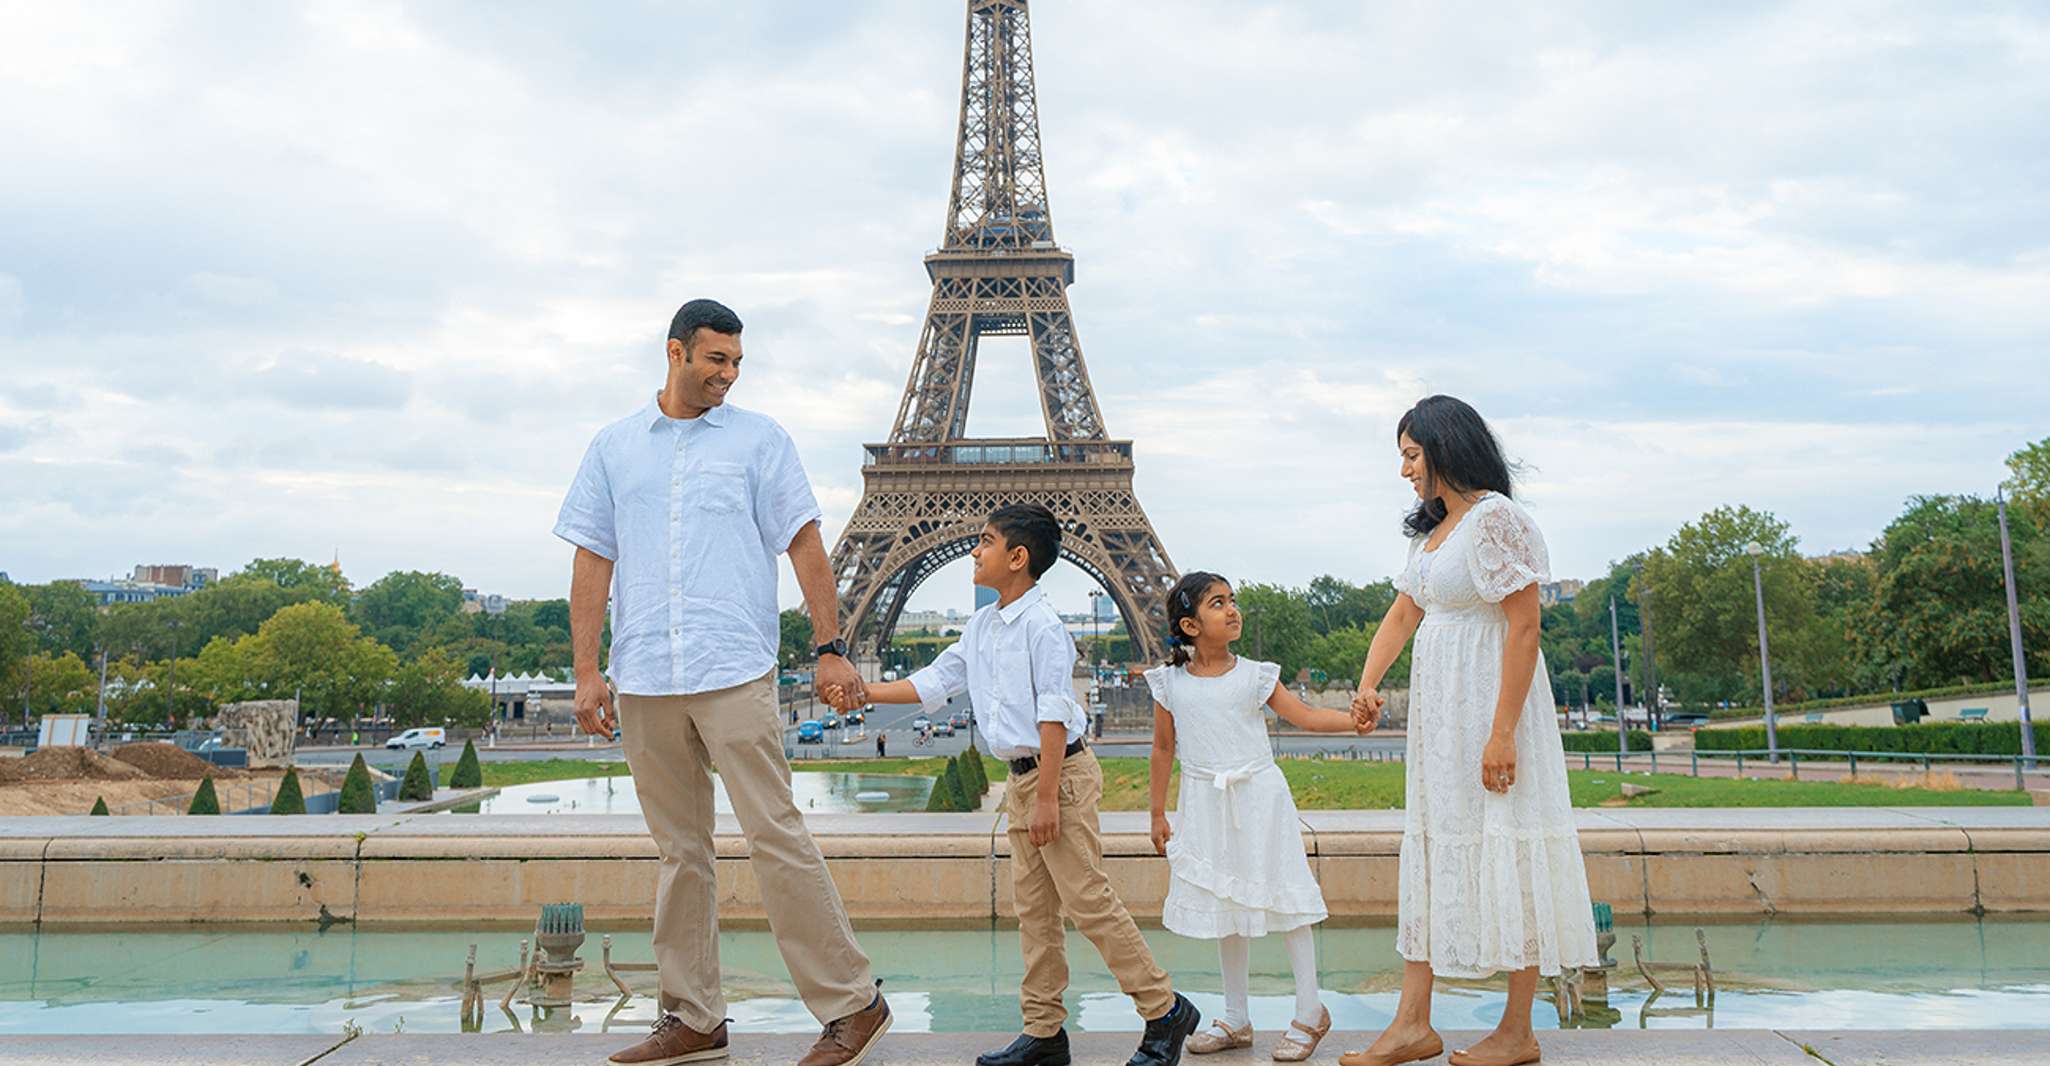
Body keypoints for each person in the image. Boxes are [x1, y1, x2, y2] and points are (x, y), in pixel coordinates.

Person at [556, 299, 890, 1066]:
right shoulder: (612, 448)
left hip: (733, 665)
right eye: (717, 359)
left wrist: (830, 646)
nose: (730, 374)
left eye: (738, 362)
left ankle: (854, 1002)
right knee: (680, 853)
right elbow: (592, 558)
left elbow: (805, 544)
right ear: (675, 352)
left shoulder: (759, 440)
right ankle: (693, 1015)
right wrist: (586, 671)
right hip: (646, 671)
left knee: (776, 835)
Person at [835, 503, 1200, 1066]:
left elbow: (1054, 713)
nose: (974, 550)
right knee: (1035, 912)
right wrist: (862, 693)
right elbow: (935, 681)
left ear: (1017, 556)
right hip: (1024, 780)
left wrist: (1048, 796)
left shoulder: (1043, 626)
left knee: (1089, 901)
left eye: (985, 541)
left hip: (1059, 776)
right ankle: (1044, 1031)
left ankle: (1164, 1009)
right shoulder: (982, 626)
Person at [1341, 396, 1597, 1066]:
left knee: (1508, 842)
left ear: (1444, 450)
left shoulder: (1495, 521)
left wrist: (1502, 732)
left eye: (1411, 455)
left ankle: (1517, 1030)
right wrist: (1368, 685)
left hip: (1490, 706)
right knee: (1436, 845)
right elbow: (1404, 613)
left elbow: (1524, 626)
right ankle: (1412, 1023)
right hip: (1442, 719)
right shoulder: (1433, 533)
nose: (1404, 470)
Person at [1146, 571, 1372, 1062]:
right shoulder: (1169, 683)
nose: (1232, 609)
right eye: (1217, 603)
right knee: (1226, 903)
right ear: (1189, 625)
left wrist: (1352, 722)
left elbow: (1305, 716)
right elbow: (1163, 748)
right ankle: (1236, 1016)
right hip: (1205, 801)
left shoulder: (1254, 675)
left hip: (1259, 798)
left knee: (1287, 896)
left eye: (1232, 600)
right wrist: (1157, 812)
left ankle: (1310, 1010)